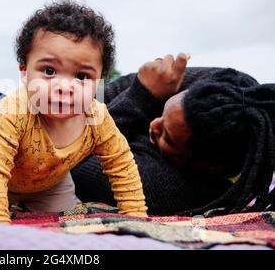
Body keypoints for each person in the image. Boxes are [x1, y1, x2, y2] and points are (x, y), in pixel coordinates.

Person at [0, 0, 148, 223]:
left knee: (66, 221)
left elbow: (121, 164)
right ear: (24, 72)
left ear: (99, 81)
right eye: (49, 71)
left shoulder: (96, 118)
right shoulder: (15, 110)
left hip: (50, 184)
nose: (65, 87)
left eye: (82, 76)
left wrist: (136, 215)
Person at [71, 56, 275, 216]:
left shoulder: (164, 188)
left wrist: (140, 98)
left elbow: (70, 160)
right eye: (162, 112)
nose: (153, 125)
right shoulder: (227, 88)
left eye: (167, 137)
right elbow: (120, 86)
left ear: (207, 166)